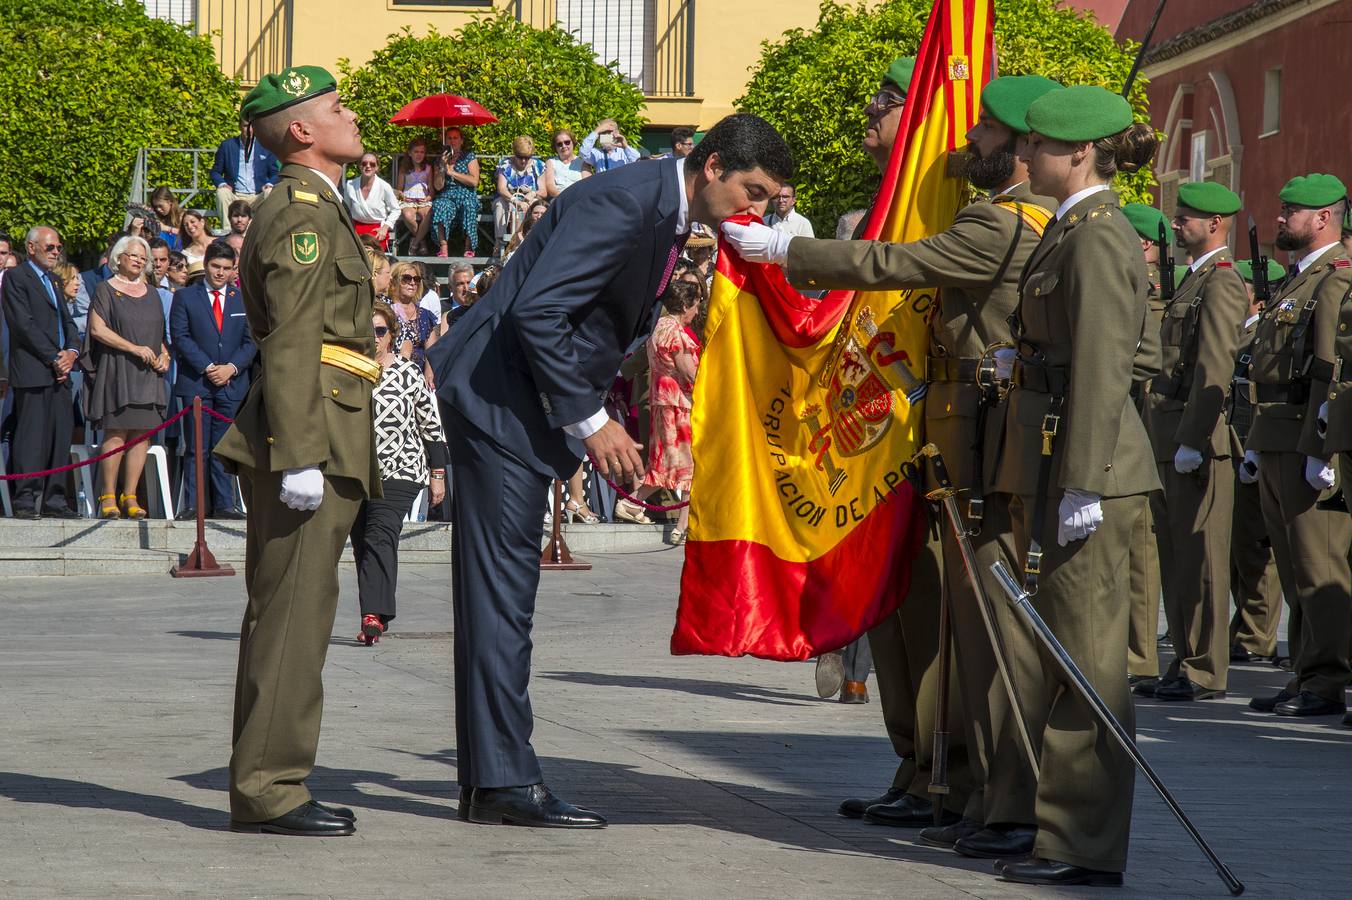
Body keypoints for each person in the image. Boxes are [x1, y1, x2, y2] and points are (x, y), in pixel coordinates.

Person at [725, 71, 1061, 852]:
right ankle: (926, 771)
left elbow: (896, 267)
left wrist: (785, 249)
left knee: (961, 623)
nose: (963, 141)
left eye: (978, 129)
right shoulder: (945, 199)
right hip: (921, 431)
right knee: (905, 614)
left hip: (966, 441)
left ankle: (969, 781)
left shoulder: (988, 213)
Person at [428, 112, 792, 828]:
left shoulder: (662, 206)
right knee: (504, 598)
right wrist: (591, 422)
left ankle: (490, 778)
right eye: (750, 190)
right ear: (712, 165)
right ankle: (504, 782)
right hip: (504, 401)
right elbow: (537, 312)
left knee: (494, 597)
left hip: (514, 400)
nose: (752, 208)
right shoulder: (626, 201)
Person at [982, 84, 1159, 887]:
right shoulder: (1071, 229)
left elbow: (1102, 365)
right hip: (1064, 458)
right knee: (1067, 653)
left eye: (1041, 148)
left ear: (1080, 153)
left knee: (1087, 663)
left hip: (1093, 469)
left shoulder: (1097, 237)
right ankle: (1062, 832)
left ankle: (1082, 846)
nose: (1026, 158)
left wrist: (1082, 480)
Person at [213, 65, 378, 838]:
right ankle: (271, 788)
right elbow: (292, 339)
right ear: (303, 130)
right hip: (309, 430)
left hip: (324, 422)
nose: (353, 116)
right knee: (290, 618)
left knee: (297, 614)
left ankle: (272, 780)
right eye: (337, 107)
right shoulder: (300, 212)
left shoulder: (316, 206)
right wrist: (300, 453)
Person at [1245, 173, 1352, 719]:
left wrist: (1323, 447)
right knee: (1291, 566)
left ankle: (1326, 679)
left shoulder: (1334, 280)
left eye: (1292, 211)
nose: (1281, 218)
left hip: (1306, 437)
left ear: (1324, 219)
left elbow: (1329, 372)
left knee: (1319, 564)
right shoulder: (1297, 280)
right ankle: (1303, 670)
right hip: (1275, 434)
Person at [1139, 183, 1248, 703]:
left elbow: (1213, 367)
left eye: (1187, 219)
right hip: (1167, 434)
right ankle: (1184, 660)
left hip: (1193, 440)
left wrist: (1194, 437)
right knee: (1177, 555)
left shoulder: (1222, 284)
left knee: (1201, 557)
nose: (1177, 225)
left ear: (1216, 225)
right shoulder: (1193, 280)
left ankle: (1206, 669)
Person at [350, 302, 448, 645]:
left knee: (380, 533)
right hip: (355, 469)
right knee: (363, 541)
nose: (373, 337)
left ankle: (372, 615)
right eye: (368, 329)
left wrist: (438, 473)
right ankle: (377, 609)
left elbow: (431, 426)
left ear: (391, 336)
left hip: (400, 468)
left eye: (380, 331)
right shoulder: (348, 370)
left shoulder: (408, 372)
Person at [83, 235, 170, 519]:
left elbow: (158, 333)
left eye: (143, 257)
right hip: (118, 368)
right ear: (118, 257)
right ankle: (108, 495)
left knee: (141, 436)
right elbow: (98, 330)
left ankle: (130, 495)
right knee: (117, 433)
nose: (139, 260)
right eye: (133, 255)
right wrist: (134, 349)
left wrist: (164, 354)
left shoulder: (153, 292)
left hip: (148, 373)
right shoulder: (105, 289)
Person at [1119, 202, 1169, 695]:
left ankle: (1141, 656)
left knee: (1142, 550)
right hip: (1136, 429)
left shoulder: (1154, 296)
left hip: (1147, 433)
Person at [170, 240, 254, 520]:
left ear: (234, 271)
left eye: (226, 268)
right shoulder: (185, 297)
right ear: (206, 265)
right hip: (198, 382)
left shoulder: (241, 299)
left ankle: (224, 504)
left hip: (230, 385)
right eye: (215, 266)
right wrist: (208, 367)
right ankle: (195, 504)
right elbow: (180, 337)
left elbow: (251, 340)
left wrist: (231, 367)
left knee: (223, 447)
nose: (220, 273)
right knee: (197, 447)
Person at [2, 226, 81, 519]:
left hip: (61, 371)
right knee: (32, 437)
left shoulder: (54, 281)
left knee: (60, 436)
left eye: (59, 247)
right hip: (35, 370)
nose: (56, 252)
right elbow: (23, 324)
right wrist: (53, 358)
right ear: (32, 248)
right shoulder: (15, 278)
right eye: (50, 247)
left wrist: (72, 352)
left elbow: (69, 323)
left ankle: (55, 499)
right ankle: (26, 498)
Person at [1228, 258, 1284, 664]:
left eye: (1242, 285)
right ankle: (1245, 625)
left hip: (1254, 444)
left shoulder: (1257, 337)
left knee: (1257, 548)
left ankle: (1257, 634)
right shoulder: (1240, 335)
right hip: (1237, 445)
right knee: (1239, 548)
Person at [616, 279, 701, 544]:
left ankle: (638, 506)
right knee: (685, 466)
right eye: (695, 305)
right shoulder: (675, 332)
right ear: (685, 304)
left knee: (671, 463)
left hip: (663, 402)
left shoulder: (660, 327)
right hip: (677, 404)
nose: (697, 311)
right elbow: (689, 372)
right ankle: (678, 525)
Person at [211, 115, 280, 228]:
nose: (250, 130)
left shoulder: (265, 147)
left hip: (257, 196)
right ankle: (228, 233)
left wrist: (269, 184)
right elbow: (215, 172)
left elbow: (275, 173)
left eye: (253, 126)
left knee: (270, 192)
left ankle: (264, 232)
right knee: (221, 193)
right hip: (235, 195)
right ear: (240, 127)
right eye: (246, 126)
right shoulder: (227, 146)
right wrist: (222, 184)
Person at [427, 127, 481, 259]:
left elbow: (474, 181)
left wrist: (452, 173)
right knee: (440, 205)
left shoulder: (469, 157)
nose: (452, 141)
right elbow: (438, 187)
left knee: (469, 204)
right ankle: (443, 246)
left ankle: (468, 248)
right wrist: (441, 169)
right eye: (449, 138)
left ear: (461, 141)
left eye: (455, 138)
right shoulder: (440, 160)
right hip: (447, 196)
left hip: (466, 195)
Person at [386, 261, 438, 385]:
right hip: (391, 374)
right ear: (394, 281)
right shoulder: (385, 310)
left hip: (419, 376)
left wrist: (429, 375)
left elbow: (431, 350)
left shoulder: (425, 315)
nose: (412, 282)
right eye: (406, 278)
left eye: (417, 279)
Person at [493, 136, 546, 251]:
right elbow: (501, 189)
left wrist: (532, 193)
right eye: (520, 157)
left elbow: (543, 192)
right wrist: (514, 200)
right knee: (500, 205)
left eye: (527, 157)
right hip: (508, 198)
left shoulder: (538, 166)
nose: (523, 161)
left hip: (529, 199)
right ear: (514, 153)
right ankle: (499, 242)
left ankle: (523, 242)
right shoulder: (506, 164)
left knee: (532, 205)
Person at [343, 151, 400, 251]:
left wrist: (385, 228)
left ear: (377, 168)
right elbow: (346, 209)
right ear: (360, 166)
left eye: (372, 164)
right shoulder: (350, 185)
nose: (368, 166)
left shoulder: (384, 186)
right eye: (364, 163)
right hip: (355, 227)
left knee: (374, 257)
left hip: (377, 230)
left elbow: (396, 209)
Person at [395, 138, 435, 254]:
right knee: (408, 215)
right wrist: (403, 197)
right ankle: (421, 241)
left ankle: (415, 243)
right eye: (416, 152)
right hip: (408, 199)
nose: (419, 155)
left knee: (427, 214)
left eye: (422, 152)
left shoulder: (428, 168)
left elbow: (432, 191)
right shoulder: (404, 168)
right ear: (410, 153)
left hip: (424, 200)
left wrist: (427, 198)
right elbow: (399, 189)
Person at [545, 129, 588, 197]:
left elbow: (588, 184)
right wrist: (564, 198)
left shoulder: (582, 162)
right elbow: (550, 187)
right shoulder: (550, 162)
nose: (564, 146)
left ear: (573, 143)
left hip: (579, 198)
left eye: (567, 142)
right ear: (555, 147)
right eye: (559, 144)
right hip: (559, 199)